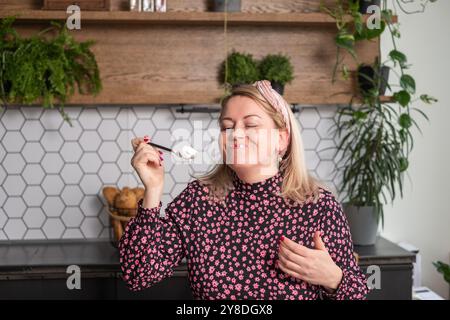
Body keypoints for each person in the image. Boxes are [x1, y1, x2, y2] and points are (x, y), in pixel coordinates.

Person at [119, 80, 370, 300]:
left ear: (281, 139)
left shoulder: (318, 206)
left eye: (250, 125)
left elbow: (358, 294)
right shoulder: (198, 200)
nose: (235, 135)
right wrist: (152, 190)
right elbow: (139, 274)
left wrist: (334, 279)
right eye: (227, 126)